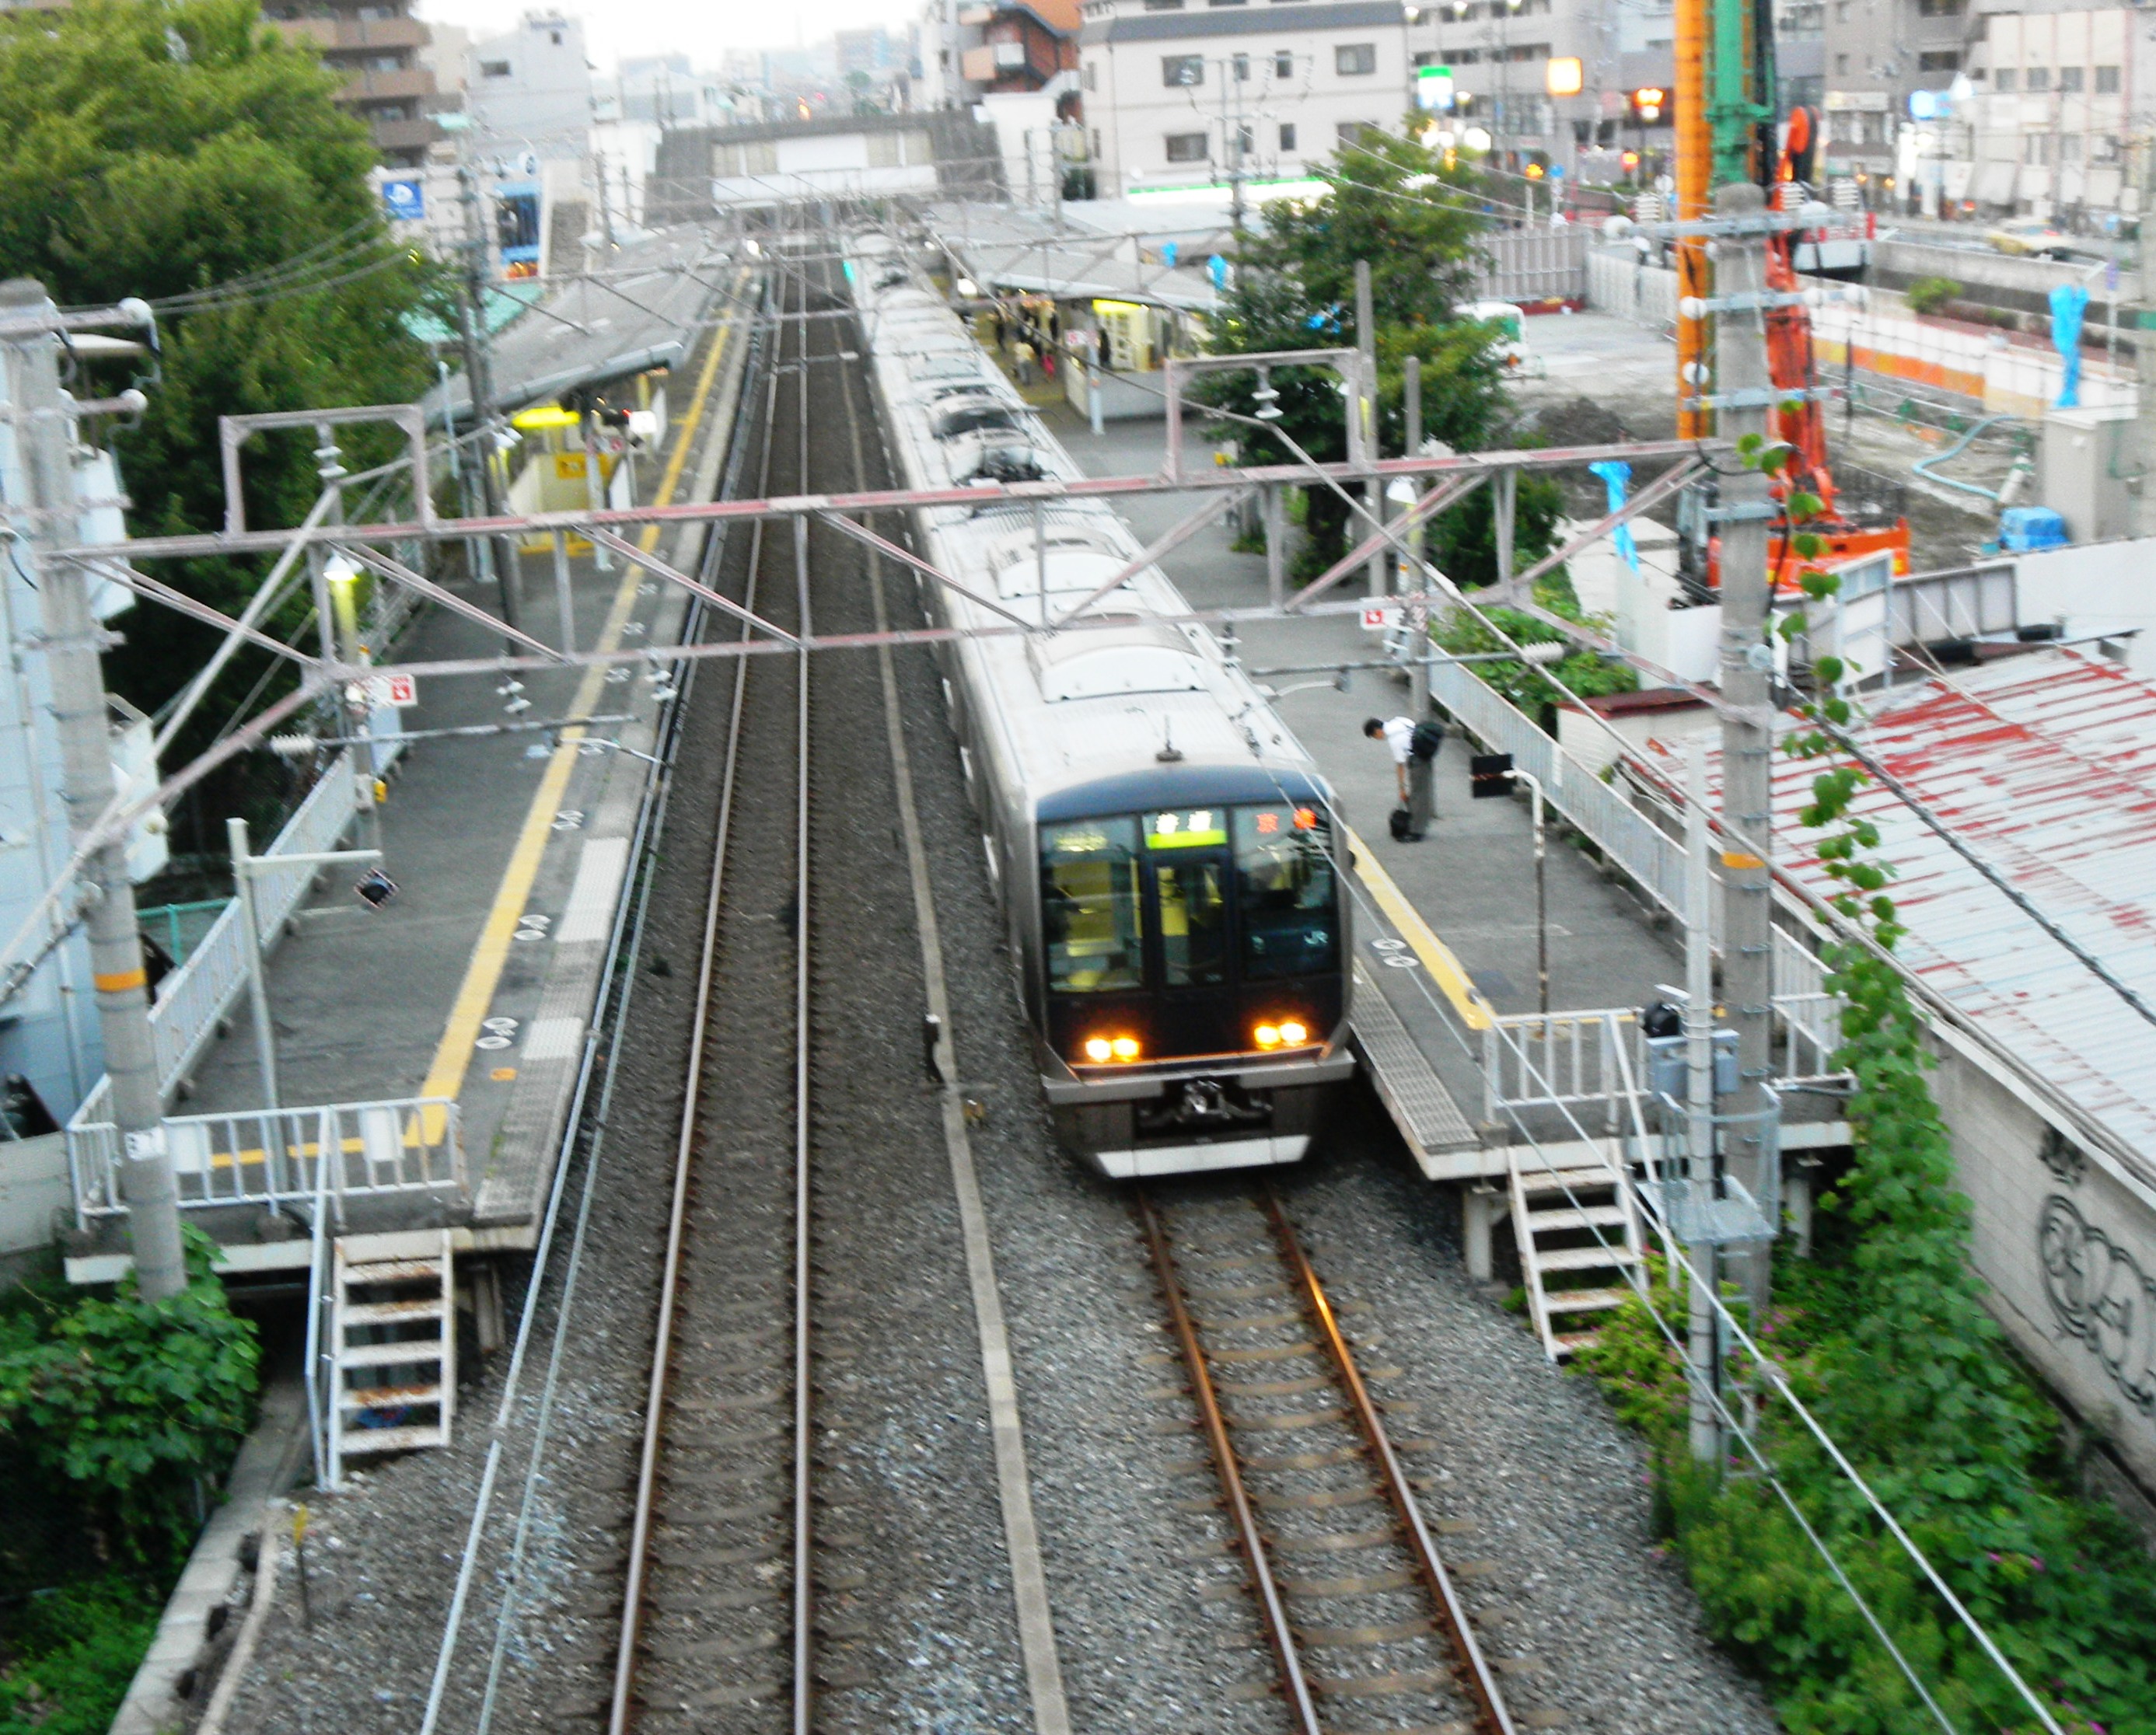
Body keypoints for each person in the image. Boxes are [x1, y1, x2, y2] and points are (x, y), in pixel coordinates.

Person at [1365, 714, 1438, 840]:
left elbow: (1400, 765)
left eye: (1374, 736)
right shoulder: (1399, 720)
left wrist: (1402, 789)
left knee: (1417, 795)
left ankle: (1417, 832)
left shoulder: (1394, 740)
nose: (1377, 738)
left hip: (1417, 762)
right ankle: (1425, 819)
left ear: (1377, 731)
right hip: (1426, 755)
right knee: (1425, 792)